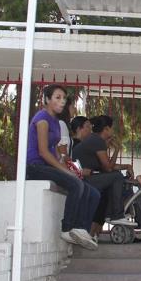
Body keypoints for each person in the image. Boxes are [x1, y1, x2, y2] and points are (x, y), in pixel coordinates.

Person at [26, 84, 99, 250]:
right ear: (46, 99)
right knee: (76, 184)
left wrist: (68, 166)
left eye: (64, 98)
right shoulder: (42, 119)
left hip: (48, 165)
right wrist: (65, 171)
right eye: (57, 98)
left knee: (91, 192)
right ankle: (67, 228)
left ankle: (81, 229)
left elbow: (56, 151)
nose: (62, 101)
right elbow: (43, 152)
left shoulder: (55, 121)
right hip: (35, 166)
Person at [72, 115, 135, 236]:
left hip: (85, 178)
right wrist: (116, 150)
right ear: (106, 129)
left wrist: (126, 166)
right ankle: (116, 214)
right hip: (82, 178)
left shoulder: (96, 140)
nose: (113, 131)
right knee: (116, 176)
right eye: (112, 128)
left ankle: (113, 215)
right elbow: (108, 168)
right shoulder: (97, 140)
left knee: (116, 175)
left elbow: (107, 167)